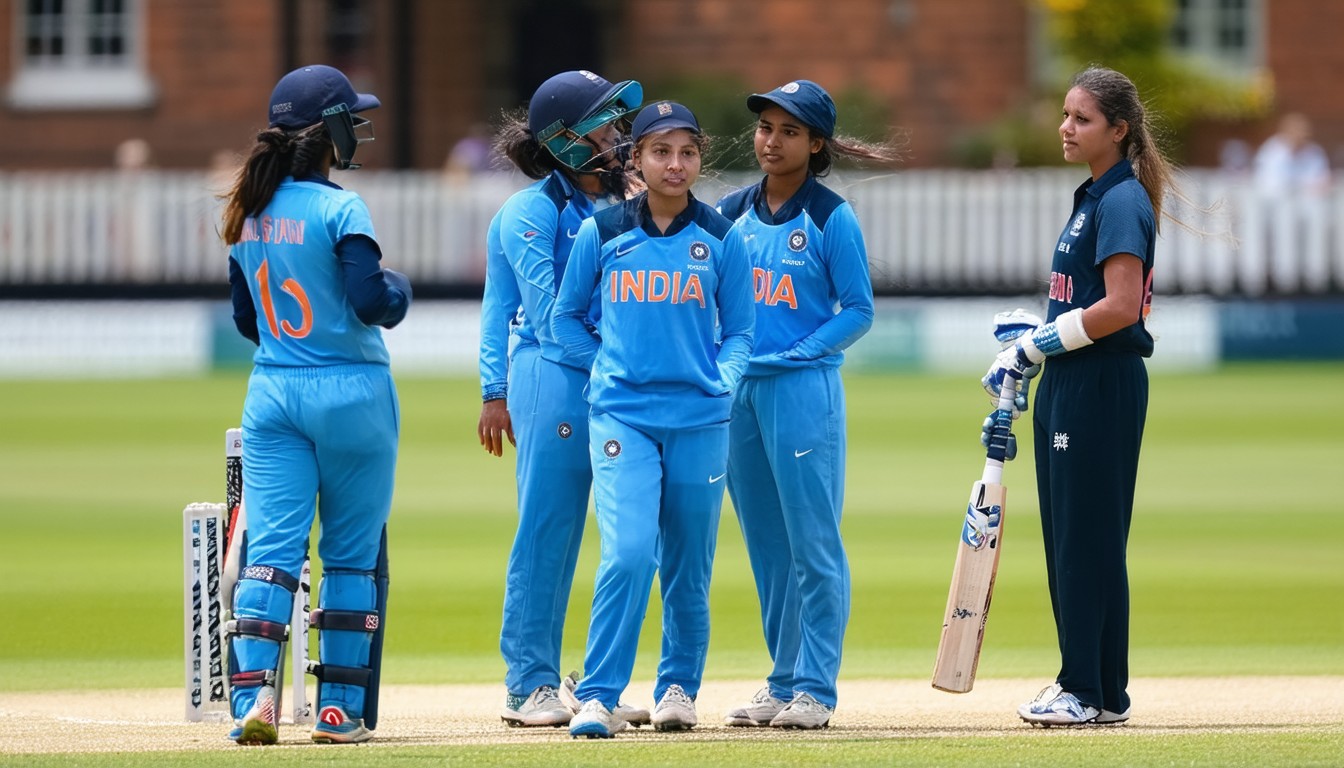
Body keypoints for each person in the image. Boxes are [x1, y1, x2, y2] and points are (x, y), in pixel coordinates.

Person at [219, 64, 412, 745]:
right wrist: (400, 290)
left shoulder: (248, 211)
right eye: (351, 120)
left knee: (271, 551)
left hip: (273, 392)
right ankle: (338, 711)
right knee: (351, 556)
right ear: (330, 132)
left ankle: (253, 702)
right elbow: (371, 301)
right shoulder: (340, 208)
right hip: (352, 392)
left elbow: (246, 320)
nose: (358, 129)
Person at [552, 101, 755, 738]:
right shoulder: (603, 232)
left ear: (700, 157)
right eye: (661, 151)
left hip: (699, 420)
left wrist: (723, 379)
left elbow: (741, 331)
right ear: (635, 159)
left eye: (687, 152)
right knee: (629, 554)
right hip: (622, 417)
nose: (675, 164)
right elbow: (564, 319)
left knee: (689, 564)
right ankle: (598, 695)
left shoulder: (722, 237)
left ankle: (678, 689)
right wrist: (605, 366)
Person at [982, 65, 1168, 727]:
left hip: (1100, 382)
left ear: (1118, 130)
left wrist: (1038, 346)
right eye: (1065, 114)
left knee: (1084, 540)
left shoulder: (1121, 200)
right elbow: (1079, 301)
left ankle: (1082, 689)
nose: (1066, 127)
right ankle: (1103, 692)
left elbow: (1120, 306)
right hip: (1073, 378)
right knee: (1077, 537)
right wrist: (1033, 340)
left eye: (1081, 119)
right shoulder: (1093, 195)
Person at [714, 79, 896, 730]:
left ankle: (816, 688)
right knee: (767, 548)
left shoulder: (829, 216)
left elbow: (858, 310)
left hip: (801, 391)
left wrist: (801, 352)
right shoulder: (729, 212)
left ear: (816, 144)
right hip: (740, 395)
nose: (771, 141)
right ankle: (783, 679)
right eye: (765, 127)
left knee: (812, 543)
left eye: (789, 132)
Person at [476, 69, 648, 728]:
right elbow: (539, 317)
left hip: (619, 377)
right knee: (548, 532)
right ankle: (529, 684)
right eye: (606, 123)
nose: (620, 135)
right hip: (554, 377)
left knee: (634, 537)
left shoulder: (627, 199)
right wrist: (494, 390)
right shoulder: (531, 211)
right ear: (566, 139)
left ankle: (599, 682)